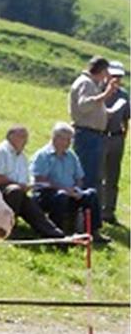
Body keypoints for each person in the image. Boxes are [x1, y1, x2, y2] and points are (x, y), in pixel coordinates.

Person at [0, 125, 66, 240]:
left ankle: (55, 235)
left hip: (17, 194)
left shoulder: (22, 157)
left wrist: (27, 186)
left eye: (26, 137)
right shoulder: (0, 151)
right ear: (10, 137)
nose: (25, 141)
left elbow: (24, 181)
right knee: (15, 191)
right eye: (22, 136)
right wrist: (18, 185)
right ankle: (9, 229)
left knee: (29, 204)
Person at [31, 123, 107, 242]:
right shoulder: (43, 155)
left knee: (91, 194)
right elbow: (40, 180)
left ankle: (93, 231)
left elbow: (79, 177)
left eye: (70, 140)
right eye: (65, 139)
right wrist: (65, 189)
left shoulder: (71, 156)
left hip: (70, 192)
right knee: (61, 196)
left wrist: (76, 190)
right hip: (47, 194)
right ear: (55, 138)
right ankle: (57, 233)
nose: (68, 143)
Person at [69, 56, 117, 194]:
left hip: (93, 135)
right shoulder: (86, 83)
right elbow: (84, 105)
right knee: (87, 176)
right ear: (101, 71)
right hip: (87, 135)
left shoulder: (92, 84)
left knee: (93, 175)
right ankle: (83, 211)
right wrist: (105, 95)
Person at [102, 62, 127, 224]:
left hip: (117, 137)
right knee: (98, 175)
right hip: (101, 136)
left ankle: (109, 211)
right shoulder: (99, 91)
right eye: (113, 75)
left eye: (119, 76)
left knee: (113, 176)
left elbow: (126, 118)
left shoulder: (124, 94)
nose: (116, 79)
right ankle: (96, 209)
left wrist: (124, 135)